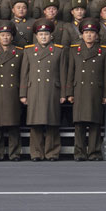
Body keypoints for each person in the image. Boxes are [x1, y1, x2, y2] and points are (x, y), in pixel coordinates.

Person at [23, 24, 68, 160]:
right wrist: (23, 94)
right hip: (34, 90)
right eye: (41, 34)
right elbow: (24, 74)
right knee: (35, 123)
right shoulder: (29, 51)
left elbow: (63, 74)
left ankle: (52, 153)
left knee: (52, 123)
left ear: (51, 36)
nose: (44, 37)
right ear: (36, 36)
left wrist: (63, 94)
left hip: (52, 90)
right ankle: (36, 153)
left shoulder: (59, 51)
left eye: (46, 34)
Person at [65, 25, 106, 161]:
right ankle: (79, 152)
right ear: (82, 35)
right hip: (79, 90)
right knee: (79, 123)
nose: (89, 35)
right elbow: (70, 73)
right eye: (86, 33)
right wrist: (69, 92)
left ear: (96, 35)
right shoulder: (74, 50)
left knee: (95, 123)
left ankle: (95, 152)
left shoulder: (104, 51)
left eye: (92, 33)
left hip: (96, 90)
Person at [0, 27, 24, 160]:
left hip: (13, 92)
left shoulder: (19, 52)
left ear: (12, 37)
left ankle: (15, 153)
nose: (5, 38)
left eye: (8, 35)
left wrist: (22, 92)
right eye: (2, 35)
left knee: (14, 124)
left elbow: (23, 74)